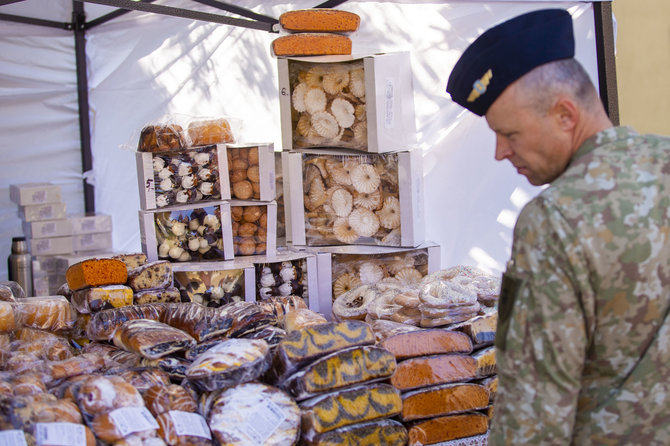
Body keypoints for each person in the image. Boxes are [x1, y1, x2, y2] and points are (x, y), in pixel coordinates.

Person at [446, 8, 670, 445]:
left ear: (566, 115)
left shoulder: (555, 220)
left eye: (509, 134)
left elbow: (533, 420)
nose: (499, 153)